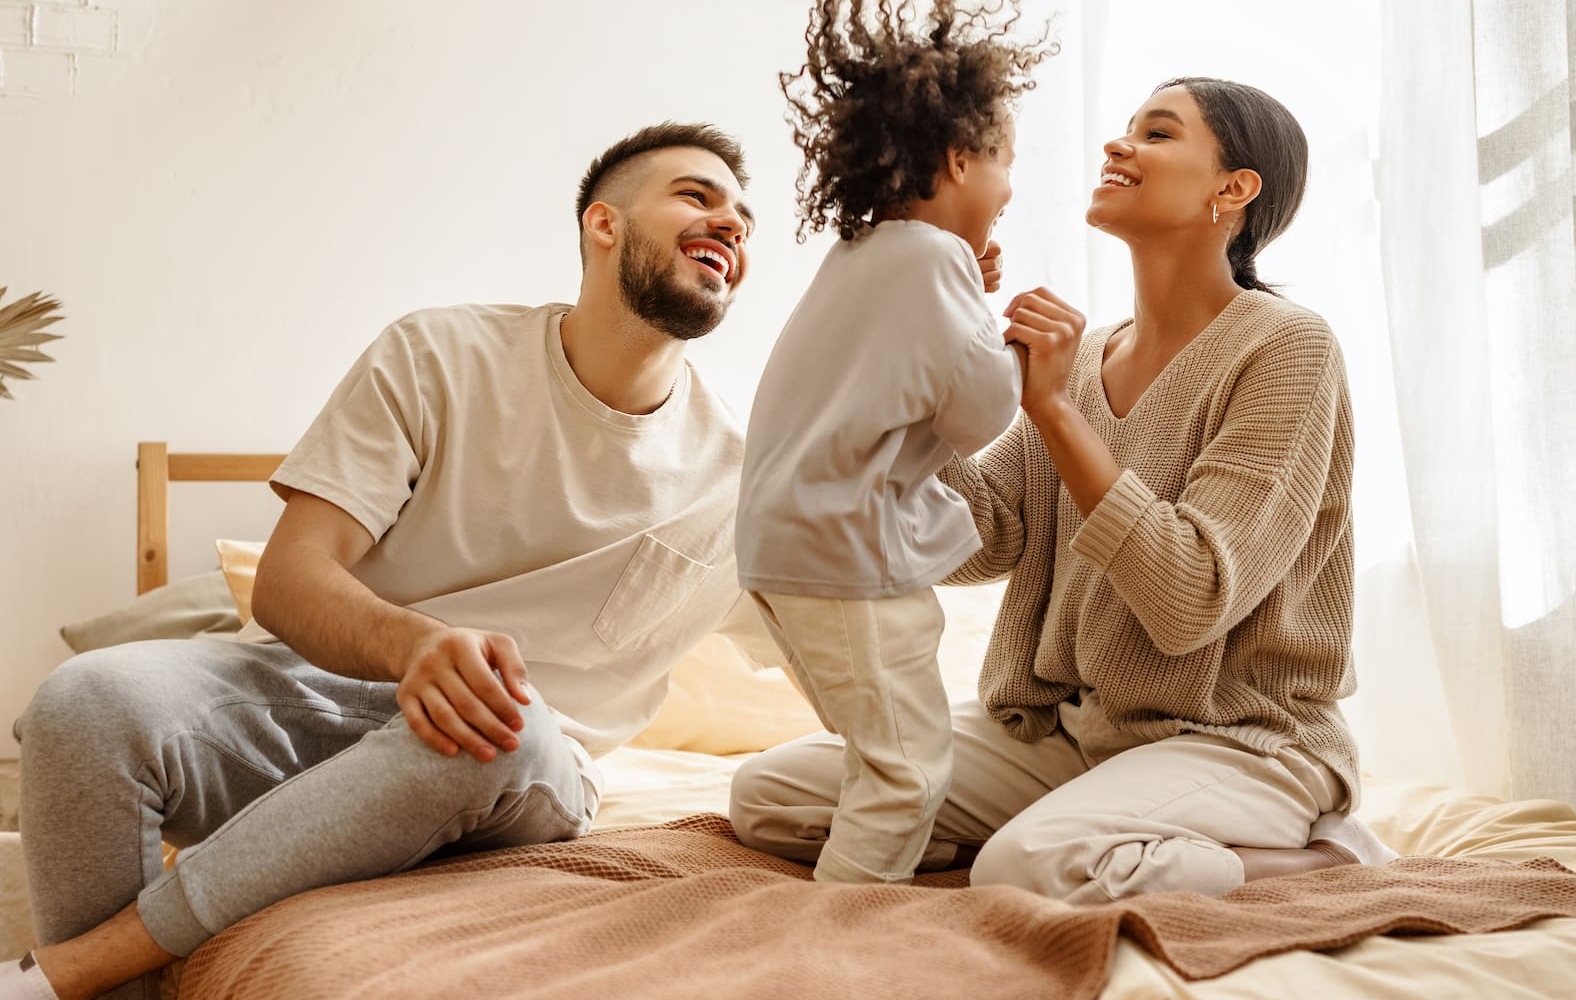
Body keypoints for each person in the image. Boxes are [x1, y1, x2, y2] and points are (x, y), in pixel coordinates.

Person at [6, 121, 766, 1000]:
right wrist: (414, 647)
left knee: (498, 720)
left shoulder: (747, 478)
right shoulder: (439, 356)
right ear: (604, 224)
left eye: (745, 217)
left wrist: (936, 302)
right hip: (316, 697)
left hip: (508, 772)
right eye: (698, 196)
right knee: (80, 702)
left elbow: (918, 555)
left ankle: (65, 974)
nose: (732, 223)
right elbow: (293, 578)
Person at [731, 77, 1398, 903]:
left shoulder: (1287, 348)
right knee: (769, 798)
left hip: (1240, 740)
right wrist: (927, 350)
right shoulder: (1086, 359)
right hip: (1071, 733)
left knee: (1028, 866)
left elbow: (1191, 598)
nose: (1119, 146)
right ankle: (1097, 826)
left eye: (1157, 134)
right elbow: (990, 533)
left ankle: (1319, 862)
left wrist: (1047, 407)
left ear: (1234, 189)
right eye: (1122, 130)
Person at [732, 0, 1052, 887]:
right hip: (847, 555)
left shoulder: (864, 254)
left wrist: (968, 303)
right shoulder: (934, 261)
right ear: (959, 160)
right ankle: (841, 942)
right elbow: (979, 412)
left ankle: (892, 869)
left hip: (781, 552)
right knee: (907, 770)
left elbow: (906, 377)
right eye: (1007, 165)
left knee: (884, 751)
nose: (1011, 189)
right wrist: (1025, 352)